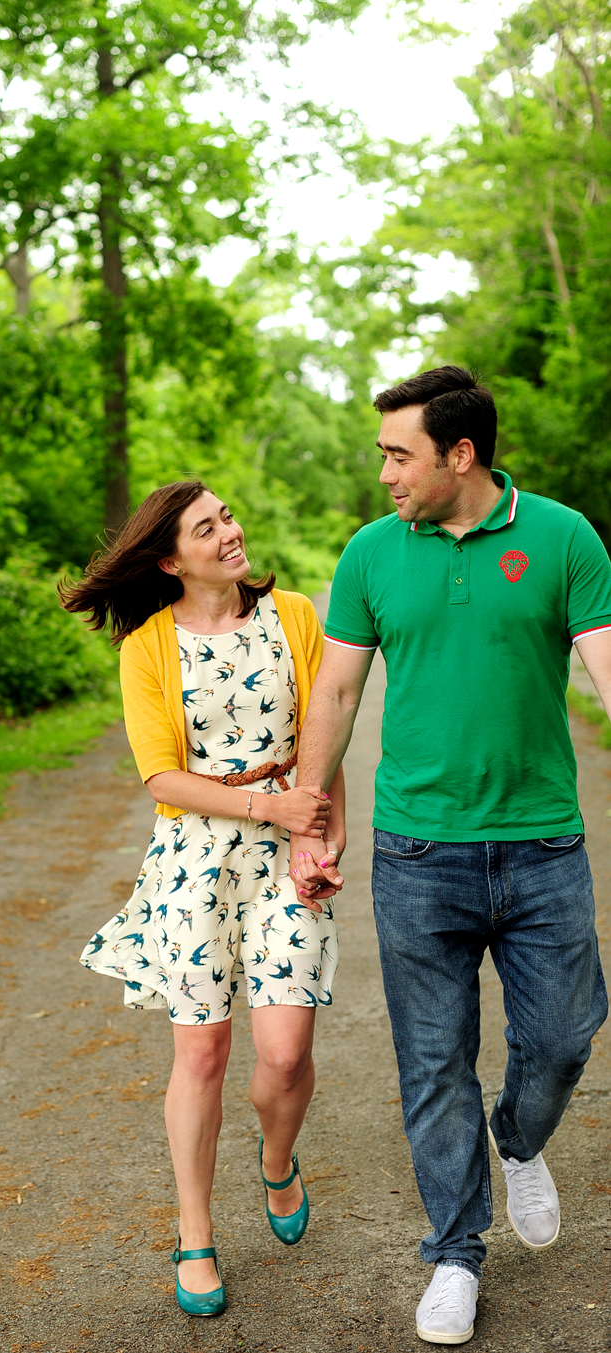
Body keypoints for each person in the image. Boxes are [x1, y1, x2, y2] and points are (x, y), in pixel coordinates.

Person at [291, 366, 611, 1345]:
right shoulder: (372, 553)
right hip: (420, 848)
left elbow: (607, 661)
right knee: (433, 1062)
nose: (384, 472)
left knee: (562, 1040)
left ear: (459, 454)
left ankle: (516, 1138)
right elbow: (339, 695)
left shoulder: (563, 537)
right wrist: (309, 820)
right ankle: (456, 1255)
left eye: (399, 454)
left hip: (543, 843)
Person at [60, 480, 345, 1317]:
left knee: (285, 1053)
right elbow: (160, 774)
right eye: (206, 526)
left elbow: (325, 734)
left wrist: (324, 838)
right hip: (195, 860)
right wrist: (267, 804)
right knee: (204, 1053)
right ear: (169, 556)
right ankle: (195, 1231)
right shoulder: (147, 646)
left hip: (289, 852)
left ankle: (277, 1157)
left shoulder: (293, 613)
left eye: (227, 517)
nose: (230, 532)